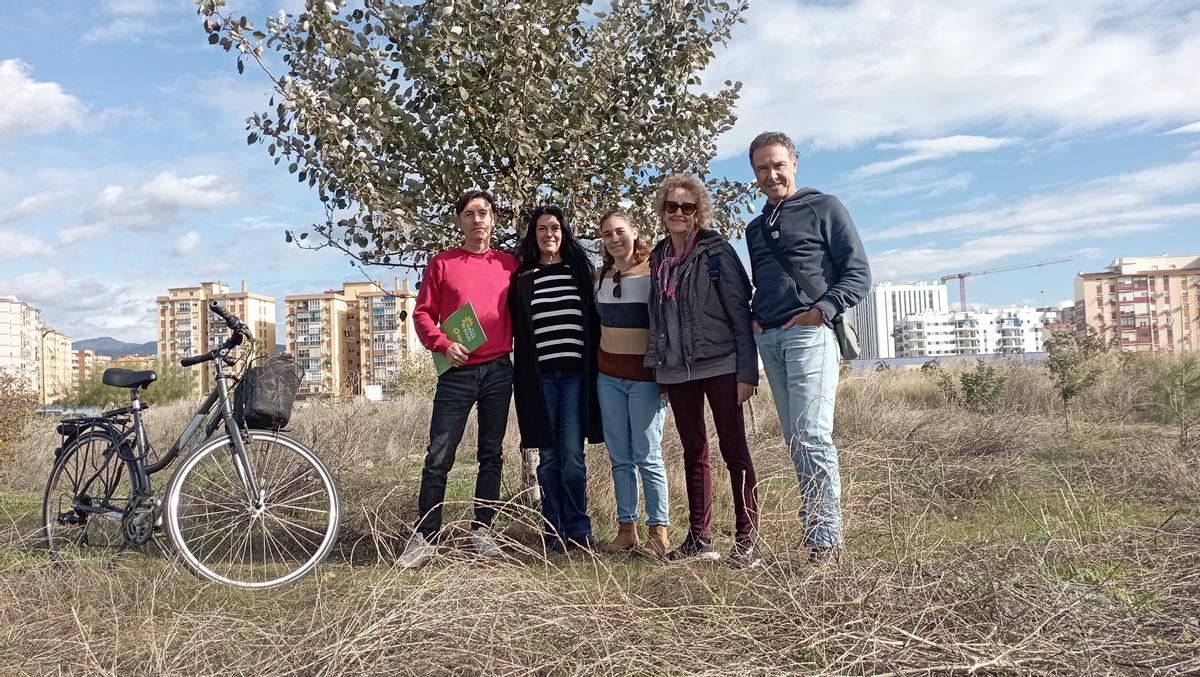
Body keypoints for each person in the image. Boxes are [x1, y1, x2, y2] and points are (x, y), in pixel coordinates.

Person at [744, 132, 871, 563]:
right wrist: (756, 317)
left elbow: (857, 274)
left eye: (778, 164)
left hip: (809, 333)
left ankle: (825, 542)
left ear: (794, 163)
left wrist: (822, 311)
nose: (771, 174)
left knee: (812, 435)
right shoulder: (755, 228)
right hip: (770, 338)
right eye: (762, 168)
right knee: (795, 439)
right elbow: (764, 280)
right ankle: (816, 531)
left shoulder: (825, 207)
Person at [397, 189, 521, 570]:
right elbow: (422, 314)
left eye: (483, 212)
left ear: (494, 219)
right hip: (456, 372)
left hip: (500, 370)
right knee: (439, 456)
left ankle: (482, 531)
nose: (477, 219)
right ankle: (425, 536)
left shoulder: (510, 265)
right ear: (459, 221)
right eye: (469, 213)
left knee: (492, 454)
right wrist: (442, 343)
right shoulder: (442, 264)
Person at [644, 174, 762, 568]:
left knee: (734, 450)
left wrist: (747, 371)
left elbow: (739, 312)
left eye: (687, 207)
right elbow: (656, 318)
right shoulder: (658, 258)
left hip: (720, 364)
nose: (679, 213)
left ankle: (748, 539)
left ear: (698, 213)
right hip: (677, 370)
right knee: (694, 452)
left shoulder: (716, 252)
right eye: (671, 206)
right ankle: (699, 537)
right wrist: (659, 369)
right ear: (662, 213)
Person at [508, 205, 603, 552]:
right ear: (534, 236)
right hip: (539, 379)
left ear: (564, 232)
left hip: (576, 377)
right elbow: (511, 324)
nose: (549, 234)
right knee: (547, 456)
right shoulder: (522, 278)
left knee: (572, 456)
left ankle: (579, 528)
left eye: (555, 228)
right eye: (542, 229)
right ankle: (553, 530)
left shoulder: (580, 271)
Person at [593, 209, 672, 557]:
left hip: (645, 379)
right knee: (619, 456)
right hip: (608, 378)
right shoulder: (601, 276)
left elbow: (666, 323)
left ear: (634, 231)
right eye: (608, 234)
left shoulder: (654, 270)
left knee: (648, 455)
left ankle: (659, 532)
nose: (615, 238)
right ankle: (627, 529)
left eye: (620, 231)